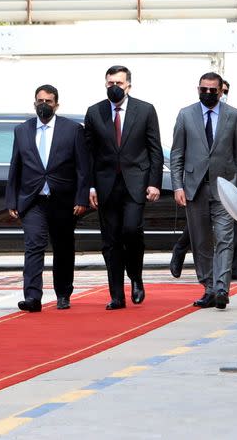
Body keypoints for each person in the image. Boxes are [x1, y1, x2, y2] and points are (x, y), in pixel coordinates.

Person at [5, 84, 90, 313]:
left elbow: (83, 168)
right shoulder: (22, 130)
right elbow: (16, 165)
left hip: (62, 200)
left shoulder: (72, 130)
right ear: (34, 103)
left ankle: (63, 293)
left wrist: (81, 198)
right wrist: (11, 200)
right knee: (33, 246)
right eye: (40, 101)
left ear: (56, 104)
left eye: (48, 101)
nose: (43, 105)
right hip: (33, 200)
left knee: (63, 247)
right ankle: (32, 297)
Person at [84, 66, 163, 310]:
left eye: (118, 83)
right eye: (110, 83)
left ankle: (136, 276)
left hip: (135, 184)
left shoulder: (145, 110)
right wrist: (90, 186)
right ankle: (116, 295)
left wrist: (153, 182)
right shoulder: (95, 112)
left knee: (131, 231)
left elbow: (154, 150)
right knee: (111, 241)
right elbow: (88, 153)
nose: (114, 87)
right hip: (106, 185)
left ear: (128, 85)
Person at [170, 72, 237, 310]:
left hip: (224, 188)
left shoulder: (233, 116)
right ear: (198, 89)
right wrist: (178, 186)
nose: (207, 93)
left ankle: (222, 289)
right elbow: (177, 154)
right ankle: (209, 288)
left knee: (225, 238)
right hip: (195, 188)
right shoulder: (185, 115)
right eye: (203, 89)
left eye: (212, 90)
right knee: (201, 241)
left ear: (221, 91)